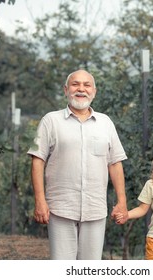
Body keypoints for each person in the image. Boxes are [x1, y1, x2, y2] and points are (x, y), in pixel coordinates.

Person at [27, 69, 128, 260]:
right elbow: (37, 161)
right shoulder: (51, 121)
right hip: (60, 208)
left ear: (94, 91)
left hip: (95, 209)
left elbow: (115, 163)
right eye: (75, 84)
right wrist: (40, 200)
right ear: (66, 89)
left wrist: (122, 202)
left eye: (87, 85)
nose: (81, 89)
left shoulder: (105, 123)